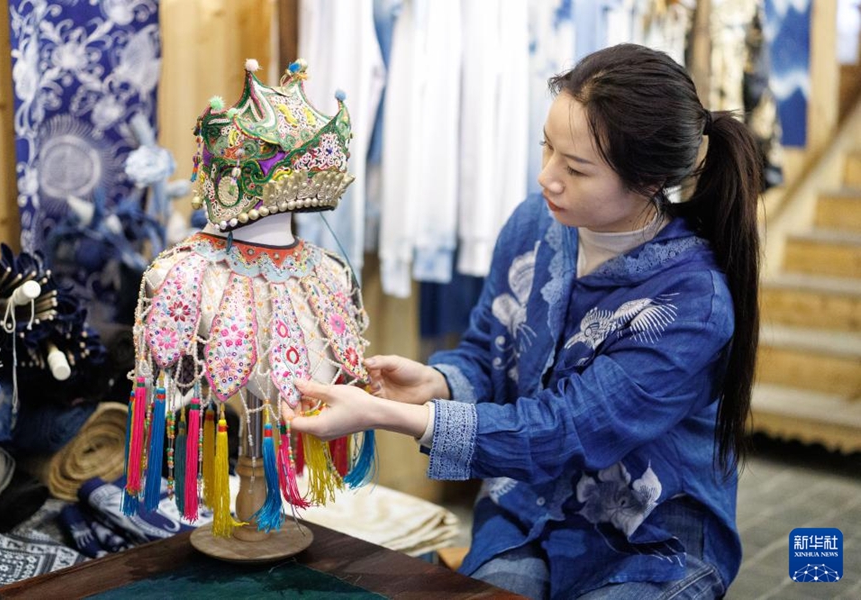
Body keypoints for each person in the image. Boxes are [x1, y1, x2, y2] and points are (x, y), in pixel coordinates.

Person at [288, 43, 762, 599]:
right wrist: (438, 383)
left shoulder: (689, 304)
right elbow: (490, 345)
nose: (547, 178)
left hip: (648, 541)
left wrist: (395, 418)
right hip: (523, 511)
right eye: (547, 148)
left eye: (576, 168)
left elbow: (564, 431)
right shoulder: (535, 224)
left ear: (650, 180)